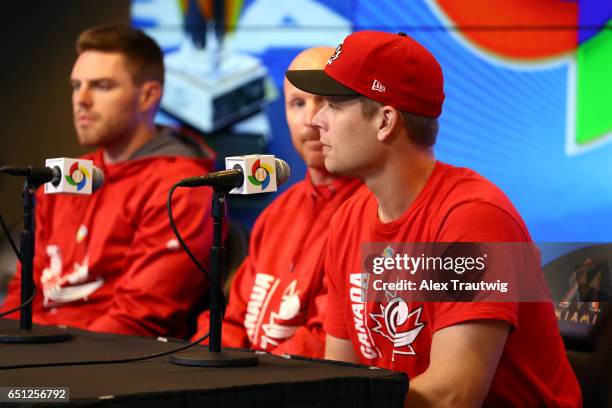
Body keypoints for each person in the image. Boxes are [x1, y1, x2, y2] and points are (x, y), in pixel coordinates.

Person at [286, 31, 581, 406]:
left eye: (334, 104)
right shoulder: (348, 220)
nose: (317, 121)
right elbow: (338, 376)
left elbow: (452, 397)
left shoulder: (472, 218)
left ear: (385, 121)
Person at [1, 25, 215, 339]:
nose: (81, 100)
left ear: (148, 96)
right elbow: (23, 295)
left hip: (103, 365)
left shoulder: (181, 188)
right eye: (76, 86)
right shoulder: (63, 177)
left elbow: (140, 317)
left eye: (101, 86)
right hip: (37, 356)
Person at [191, 47, 362, 357]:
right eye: (298, 103)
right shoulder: (277, 213)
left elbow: (328, 345)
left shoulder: (374, 212)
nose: (310, 120)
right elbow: (231, 321)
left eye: (326, 101)